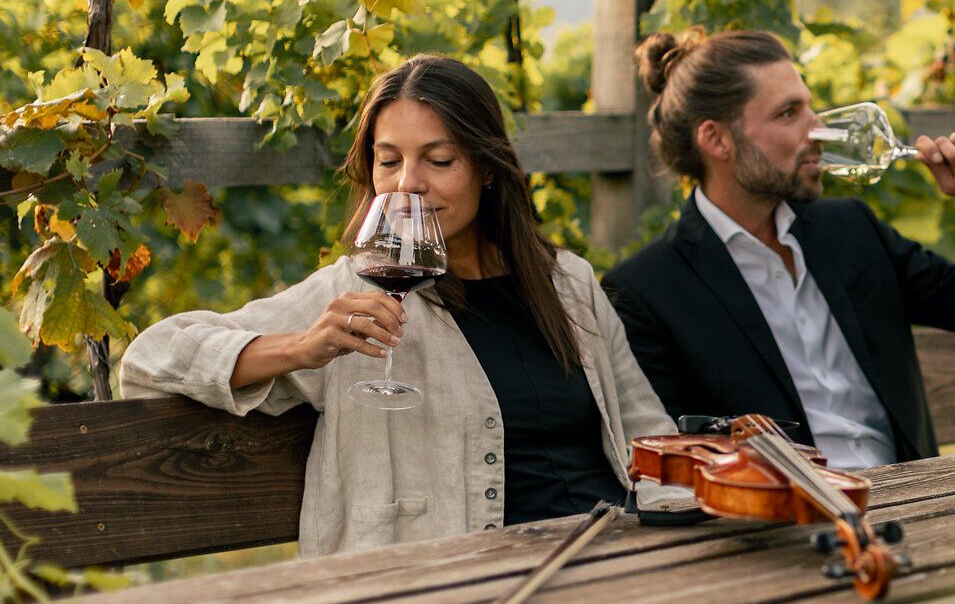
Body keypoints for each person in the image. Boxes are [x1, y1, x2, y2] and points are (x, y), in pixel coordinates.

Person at [120, 55, 685, 556]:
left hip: (609, 564)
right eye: (388, 161)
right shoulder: (355, 293)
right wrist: (302, 348)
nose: (407, 184)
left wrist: (677, 540)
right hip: (456, 592)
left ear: (488, 169)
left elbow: (647, 435)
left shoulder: (568, 285)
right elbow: (150, 360)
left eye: (438, 160)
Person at [601, 29, 955, 468]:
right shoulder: (648, 291)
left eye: (810, 107)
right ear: (716, 139)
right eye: (788, 114)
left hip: (917, 502)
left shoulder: (851, 231)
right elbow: (673, 466)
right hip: (780, 526)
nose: (817, 129)